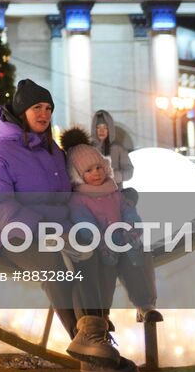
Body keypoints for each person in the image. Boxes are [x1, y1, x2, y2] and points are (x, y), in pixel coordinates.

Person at [0, 79, 136, 372]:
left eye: (48, 108)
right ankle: (95, 351)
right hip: (17, 237)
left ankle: (94, 345)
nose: (44, 113)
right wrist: (50, 233)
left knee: (93, 256)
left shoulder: (53, 151)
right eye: (37, 107)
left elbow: (77, 191)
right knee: (57, 265)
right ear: (21, 111)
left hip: (62, 231)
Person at [61, 128, 160, 324]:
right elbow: (83, 221)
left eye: (98, 167)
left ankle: (145, 305)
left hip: (123, 239)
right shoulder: (79, 199)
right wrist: (98, 238)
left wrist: (132, 225)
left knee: (137, 263)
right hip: (102, 246)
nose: (96, 173)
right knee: (104, 276)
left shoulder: (113, 190)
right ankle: (102, 314)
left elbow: (127, 209)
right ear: (78, 176)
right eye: (88, 171)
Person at [91, 110, 134, 186]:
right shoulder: (89, 149)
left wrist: (117, 176)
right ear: (94, 129)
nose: (102, 130)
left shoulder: (118, 148)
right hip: (94, 193)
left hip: (115, 192)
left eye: (105, 127)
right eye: (98, 127)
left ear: (109, 129)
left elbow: (129, 171)